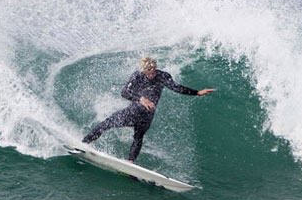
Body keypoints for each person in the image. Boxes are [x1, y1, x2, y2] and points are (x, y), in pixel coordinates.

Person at [82, 57, 214, 163]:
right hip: (133, 111)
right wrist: (141, 99)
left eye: (152, 71)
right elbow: (124, 92)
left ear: (155, 68)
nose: (150, 74)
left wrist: (197, 92)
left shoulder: (163, 76)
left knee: (138, 137)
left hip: (147, 116)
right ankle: (84, 144)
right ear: (143, 70)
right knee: (106, 124)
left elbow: (176, 88)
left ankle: (131, 163)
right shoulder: (137, 76)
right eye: (147, 72)